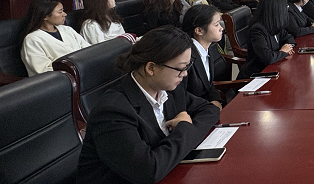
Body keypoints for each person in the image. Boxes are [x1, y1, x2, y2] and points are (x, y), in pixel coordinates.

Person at [75, 27, 220, 183]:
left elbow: (210, 109)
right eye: (180, 68)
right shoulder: (112, 111)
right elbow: (148, 171)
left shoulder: (170, 90)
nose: (185, 74)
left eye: (187, 66)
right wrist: (184, 128)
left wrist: (183, 134)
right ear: (151, 68)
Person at [20, 0, 91, 76]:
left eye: (63, 11)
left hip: (84, 71)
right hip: (62, 79)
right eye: (60, 12)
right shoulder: (32, 40)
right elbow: (42, 69)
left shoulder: (67, 29)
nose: (64, 14)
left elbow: (88, 50)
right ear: (45, 16)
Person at [237, 0, 297, 79]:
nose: (286, 9)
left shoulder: (275, 25)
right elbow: (268, 58)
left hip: (273, 69)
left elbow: (289, 38)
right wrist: (283, 52)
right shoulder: (257, 30)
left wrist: (288, 47)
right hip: (257, 76)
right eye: (285, 7)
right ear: (277, 10)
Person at [181, 4, 225, 109]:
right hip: (193, 111)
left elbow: (208, 84)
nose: (221, 28)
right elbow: (181, 95)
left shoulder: (209, 47)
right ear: (199, 31)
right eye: (216, 25)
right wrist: (208, 107)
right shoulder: (186, 57)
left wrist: (215, 100)